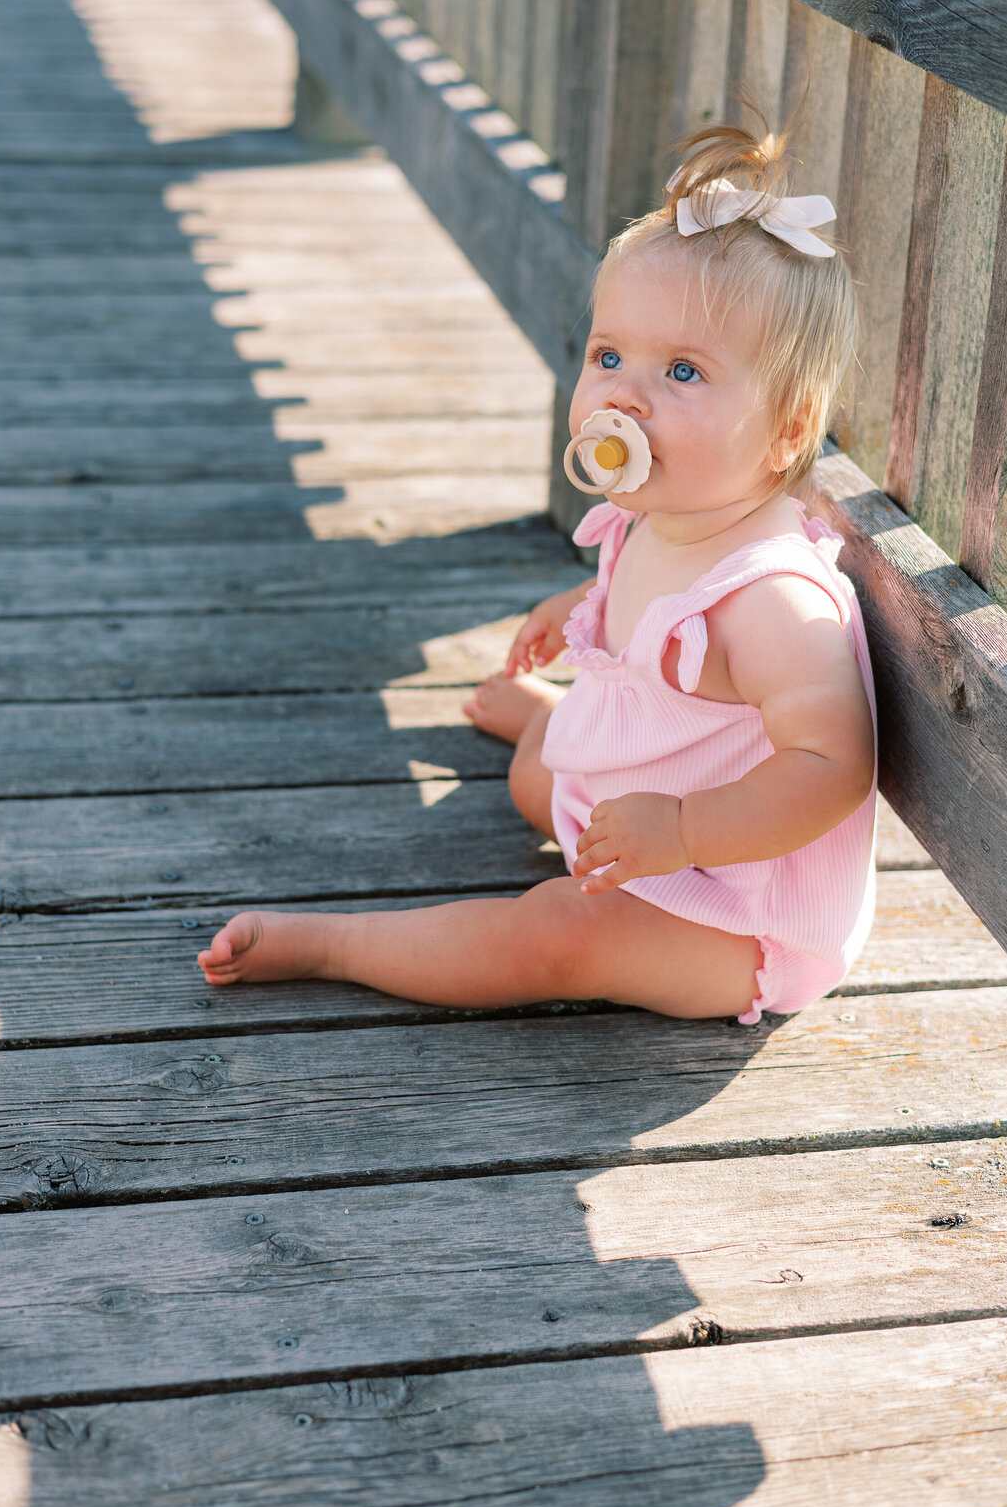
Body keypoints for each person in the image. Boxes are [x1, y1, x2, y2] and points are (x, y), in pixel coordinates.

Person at [198, 119, 877, 1024]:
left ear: (787, 432)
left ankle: (334, 944)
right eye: (608, 356)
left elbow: (831, 767)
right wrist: (584, 607)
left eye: (682, 370)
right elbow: (647, 612)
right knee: (540, 783)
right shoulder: (661, 517)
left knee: (560, 928)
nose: (623, 394)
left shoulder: (775, 601)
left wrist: (682, 832)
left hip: (739, 908)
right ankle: (555, 721)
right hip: (647, 809)